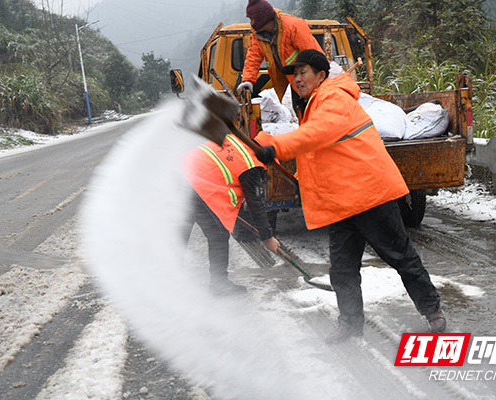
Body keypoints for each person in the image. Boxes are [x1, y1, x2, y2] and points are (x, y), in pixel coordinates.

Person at [254, 49, 446, 343]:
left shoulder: (334, 99)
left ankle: (432, 312)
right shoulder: (313, 103)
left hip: (370, 195)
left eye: (303, 72)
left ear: (321, 75)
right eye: (294, 74)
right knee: (342, 270)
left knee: (401, 257)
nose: (297, 78)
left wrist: (276, 148)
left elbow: (317, 135)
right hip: (341, 202)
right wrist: (265, 146)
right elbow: (320, 154)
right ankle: (350, 324)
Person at [182, 133, 280, 296]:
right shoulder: (250, 165)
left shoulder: (239, 141)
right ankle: (219, 285)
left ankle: (164, 280)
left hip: (180, 174)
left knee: (180, 233)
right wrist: (268, 237)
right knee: (217, 234)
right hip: (191, 183)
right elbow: (255, 205)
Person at [237, 0, 324, 117]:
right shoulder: (258, 35)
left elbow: (313, 55)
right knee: (301, 110)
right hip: (295, 79)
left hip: (311, 80)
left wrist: (318, 81)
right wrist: (248, 80)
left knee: (315, 110)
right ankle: (307, 133)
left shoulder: (293, 26)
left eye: (252, 19)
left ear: (262, 19)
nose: (251, 23)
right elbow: (253, 57)